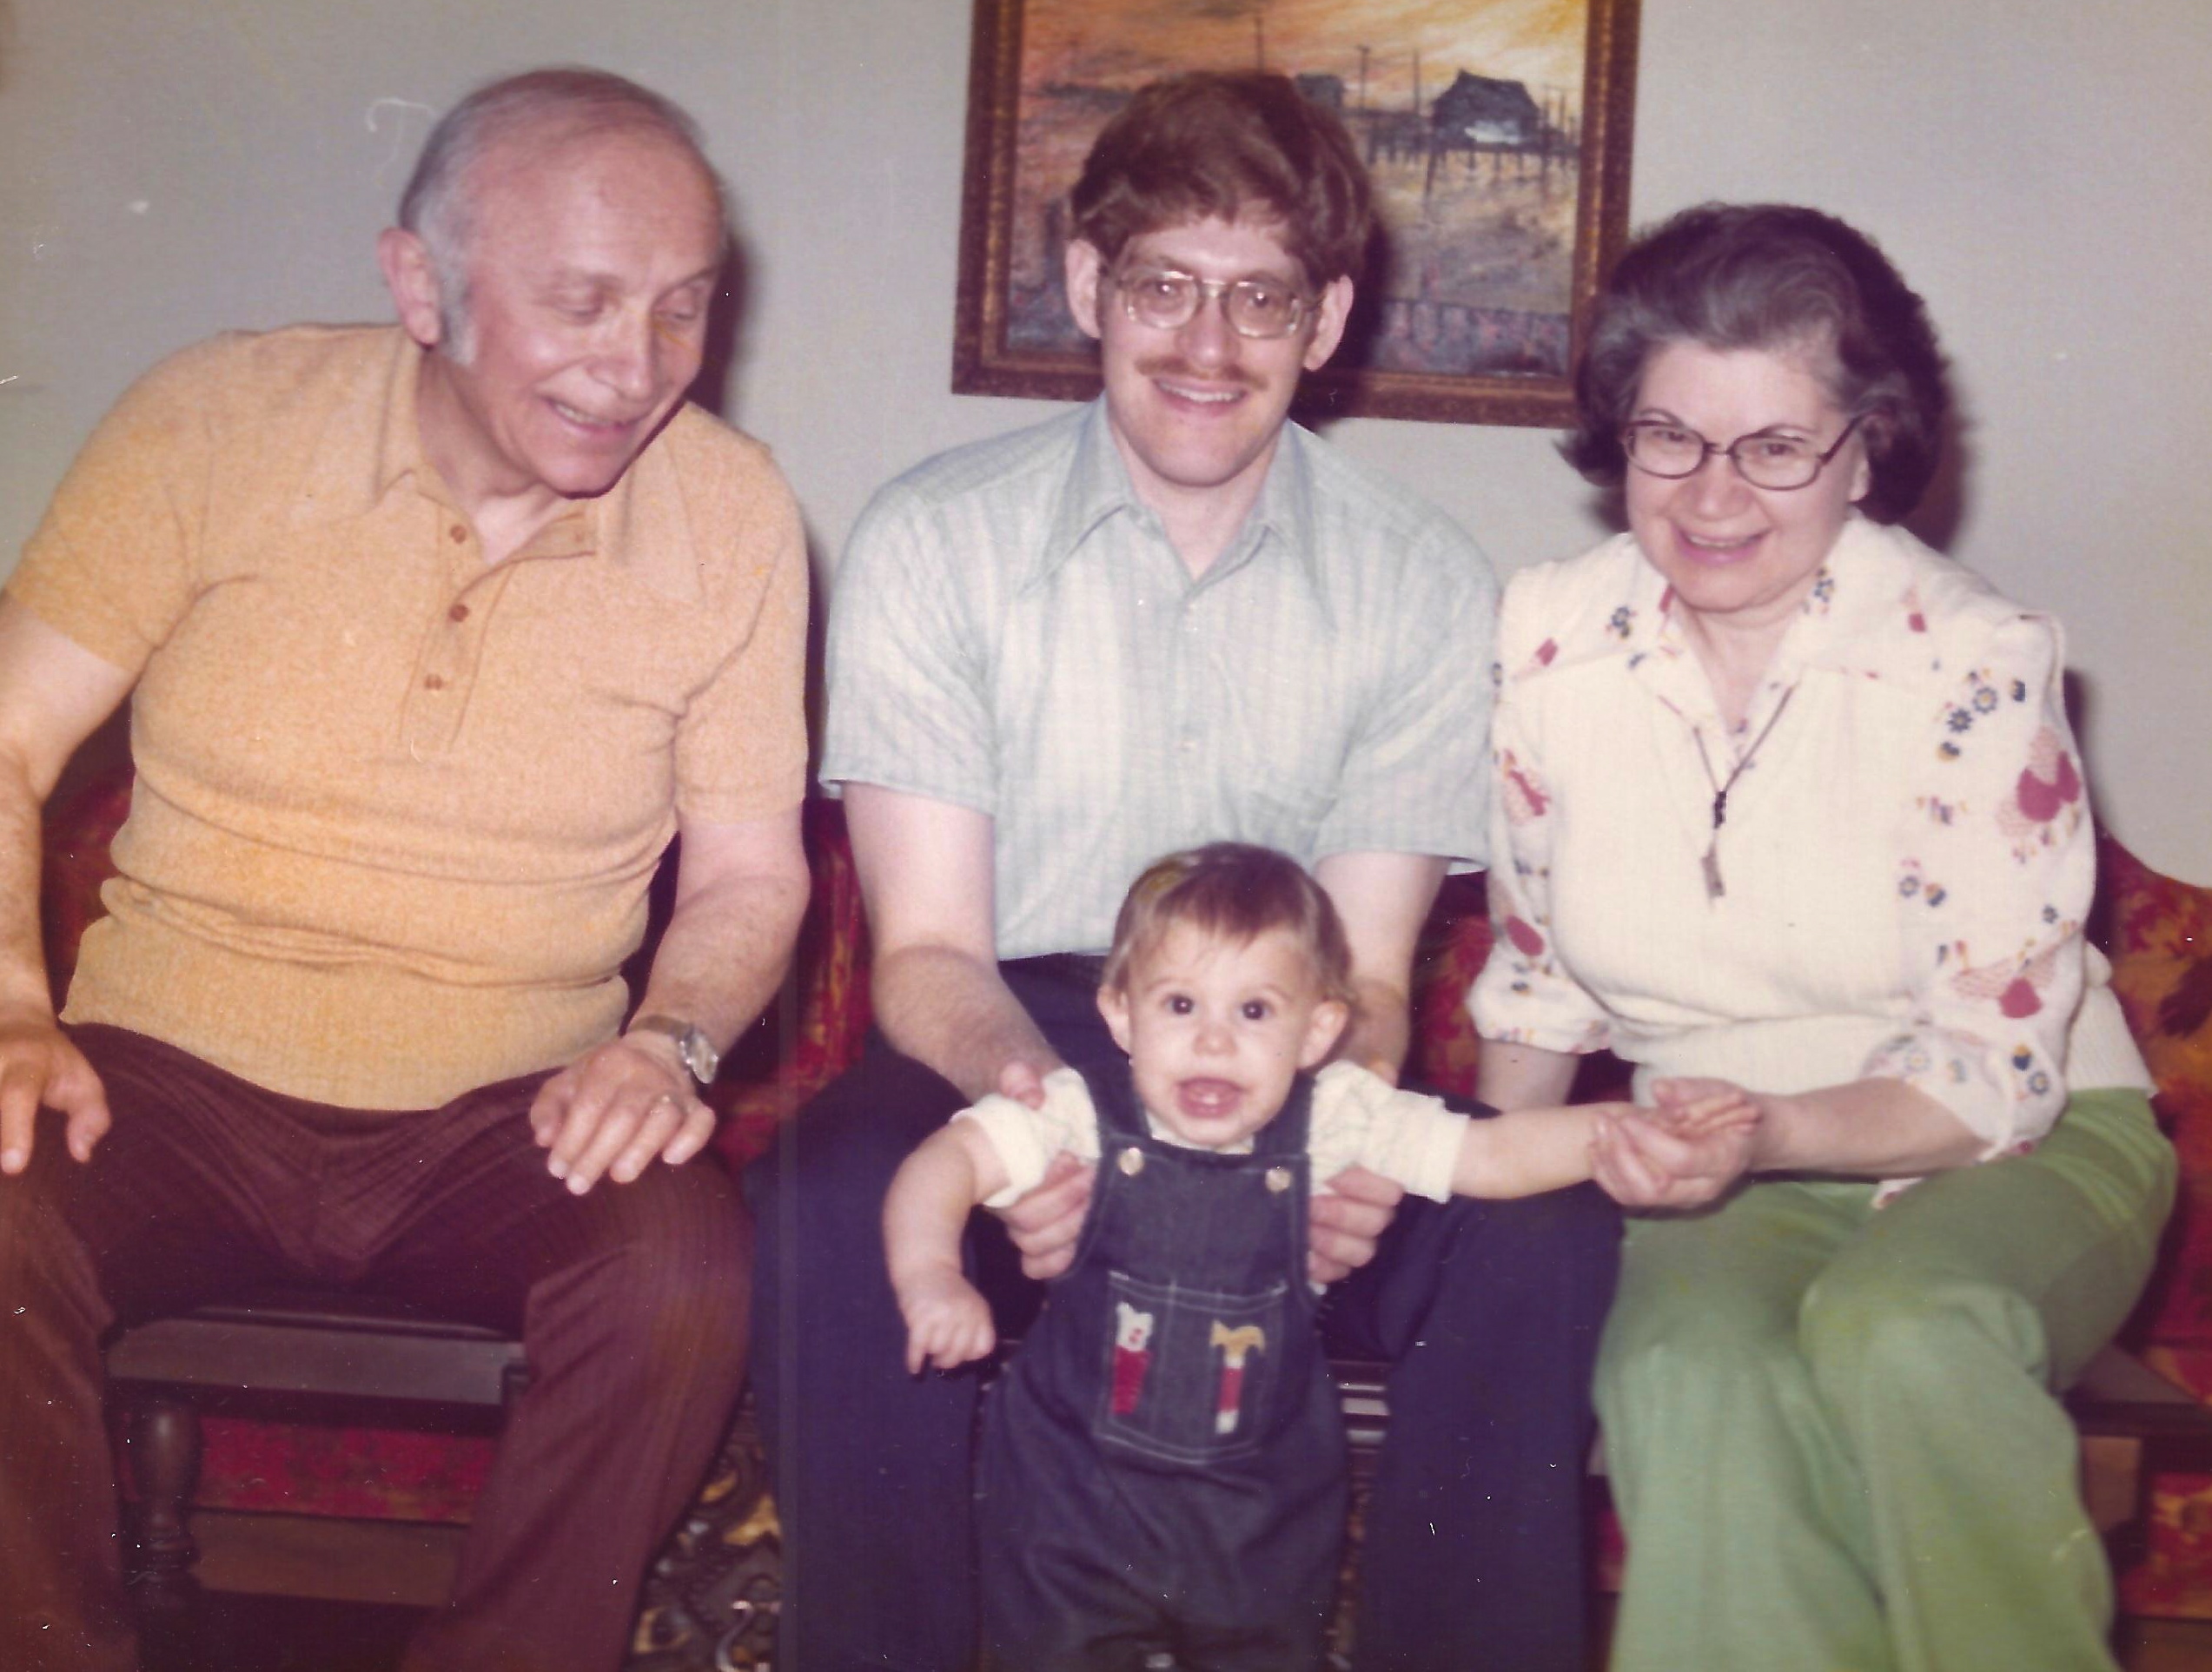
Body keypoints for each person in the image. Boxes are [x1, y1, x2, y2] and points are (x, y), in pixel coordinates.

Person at [748, 69, 1621, 1672]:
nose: (1207, 345)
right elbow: (927, 955)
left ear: (1328, 318)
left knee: (1538, 1235)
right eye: (1163, 285)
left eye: (1261, 297)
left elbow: (1363, 972)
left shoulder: (1422, 580)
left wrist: (1322, 1141)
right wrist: (1041, 1109)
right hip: (1017, 1032)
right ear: (1088, 283)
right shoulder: (934, 540)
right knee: (828, 1195)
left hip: (1283, 1053)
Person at [0, 69, 810, 1672]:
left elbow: (747, 878)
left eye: (681, 307)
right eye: (582, 302)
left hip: (512, 1114)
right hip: (166, 1079)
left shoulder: (733, 515)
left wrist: (668, 1043)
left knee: (679, 1274)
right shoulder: (215, 422)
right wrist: (15, 1003)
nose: (637, 366)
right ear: (421, 286)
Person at [1469, 201, 2177, 1672]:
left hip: (2026, 1134)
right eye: (1670, 436)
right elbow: (1535, 984)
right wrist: (1479, 1202)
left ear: (1867, 448)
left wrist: (1763, 1131)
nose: (1713, 495)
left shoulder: (1969, 658)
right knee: (1684, 1369)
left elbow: (1995, 1075)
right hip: (1724, 1154)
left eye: (1776, 446)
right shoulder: (1549, 643)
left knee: (1902, 1330)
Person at [887, 843, 1751, 1669]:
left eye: (1254, 1010)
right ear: (1120, 1012)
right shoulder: (1074, 1112)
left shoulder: (1339, 1118)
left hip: (1260, 1511)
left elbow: (1494, 1155)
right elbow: (945, 1162)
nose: (1213, 1040)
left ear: (1317, 1030)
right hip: (1072, 1495)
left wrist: (1625, 1130)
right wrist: (931, 1272)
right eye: (1180, 1005)